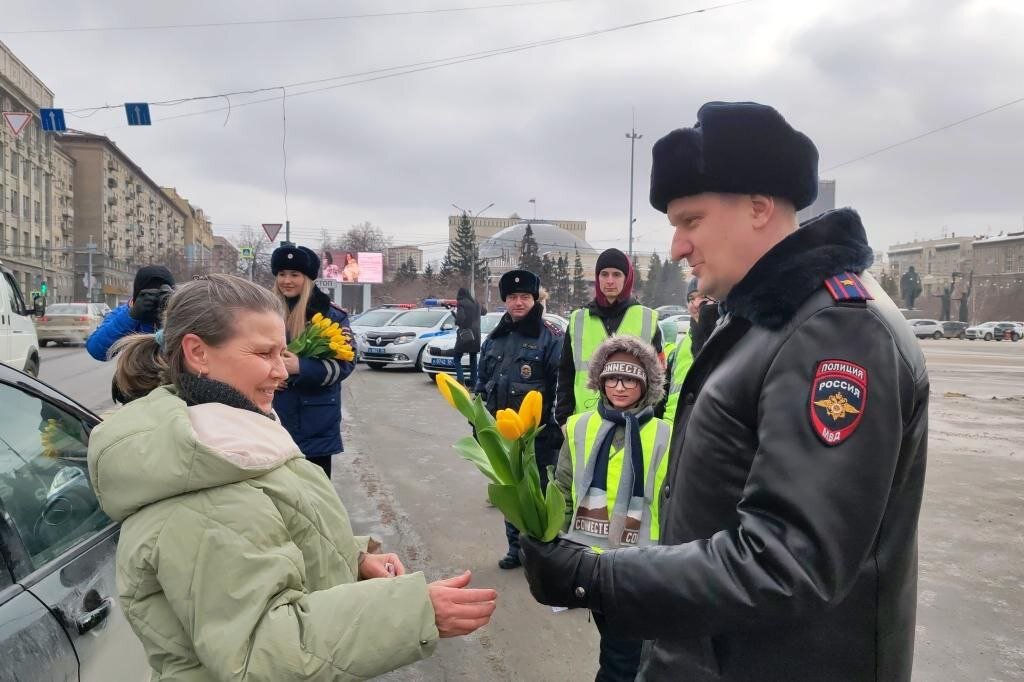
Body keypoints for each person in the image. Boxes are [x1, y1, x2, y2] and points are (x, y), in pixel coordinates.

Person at [520, 101, 929, 682]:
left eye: (690, 221)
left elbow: (789, 562)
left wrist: (598, 576)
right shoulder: (769, 318)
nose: (677, 247)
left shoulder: (835, 332)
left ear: (759, 207)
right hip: (709, 653)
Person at [91, 274, 497, 680]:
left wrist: (351, 560)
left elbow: (272, 533)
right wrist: (412, 612)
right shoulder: (198, 486)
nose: (281, 372)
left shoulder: (227, 439)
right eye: (265, 353)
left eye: (282, 353)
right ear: (197, 352)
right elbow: (261, 652)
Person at [554, 335, 670, 681]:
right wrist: (551, 548)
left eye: (630, 379)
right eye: (612, 378)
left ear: (646, 384)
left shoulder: (666, 434)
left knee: (622, 660)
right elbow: (562, 490)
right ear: (600, 381)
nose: (620, 387)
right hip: (589, 564)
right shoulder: (579, 427)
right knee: (619, 651)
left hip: (641, 567)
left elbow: (673, 501)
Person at [476, 269, 564, 569]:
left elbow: (558, 386)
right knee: (512, 492)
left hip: (537, 435)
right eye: (512, 297)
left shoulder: (550, 337)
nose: (518, 302)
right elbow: (481, 382)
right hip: (504, 434)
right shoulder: (495, 338)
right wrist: (479, 423)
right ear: (505, 301)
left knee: (538, 494)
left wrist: (553, 427)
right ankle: (516, 549)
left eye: (524, 297)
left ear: (535, 298)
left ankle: (541, 552)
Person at [271, 244, 355, 479]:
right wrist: (267, 377)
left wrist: (301, 367)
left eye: (295, 275)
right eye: (281, 274)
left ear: (307, 278)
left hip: (314, 421)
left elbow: (345, 364)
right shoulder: (263, 311)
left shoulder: (332, 315)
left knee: (317, 496)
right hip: (273, 417)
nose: (287, 280)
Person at [556, 248, 662, 425]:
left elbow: (658, 376)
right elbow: (566, 374)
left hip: (634, 422)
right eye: (604, 274)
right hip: (585, 422)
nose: (610, 281)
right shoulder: (578, 320)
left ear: (627, 278)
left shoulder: (647, 319)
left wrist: (653, 418)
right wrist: (563, 419)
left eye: (617, 274)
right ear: (597, 278)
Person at [86, 265, 175, 362]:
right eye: (150, 295)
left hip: (173, 374)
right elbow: (97, 351)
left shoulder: (181, 312)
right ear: (138, 296)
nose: (155, 300)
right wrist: (131, 316)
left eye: (160, 295)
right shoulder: (126, 312)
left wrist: (173, 312)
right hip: (136, 374)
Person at [453, 287, 481, 387]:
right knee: (473, 360)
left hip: (465, 333)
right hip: (476, 335)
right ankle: (474, 385)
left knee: (456, 358)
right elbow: (485, 311)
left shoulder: (461, 303)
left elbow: (460, 318)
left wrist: (456, 320)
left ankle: (461, 381)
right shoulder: (476, 303)